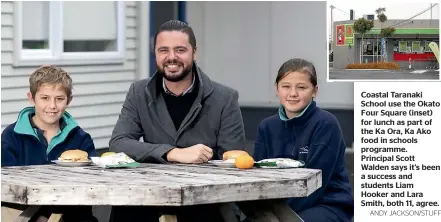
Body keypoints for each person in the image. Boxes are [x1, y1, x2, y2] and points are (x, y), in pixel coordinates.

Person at [109, 20, 246, 221]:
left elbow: (234, 160)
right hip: (149, 197)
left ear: (194, 52)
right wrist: (173, 153)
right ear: (155, 53)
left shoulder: (225, 98)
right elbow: (119, 142)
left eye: (180, 50)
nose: (171, 57)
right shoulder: (139, 92)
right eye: (163, 50)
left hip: (203, 201)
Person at [252, 58, 354, 222]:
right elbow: (257, 175)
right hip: (277, 205)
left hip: (326, 204)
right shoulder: (266, 127)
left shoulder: (326, 124)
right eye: (286, 86)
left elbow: (315, 183)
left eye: (301, 87)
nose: (293, 93)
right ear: (276, 89)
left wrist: (280, 214)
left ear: (314, 91)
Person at [1, 65, 98, 222]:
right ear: (32, 98)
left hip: (70, 214)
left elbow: (91, 189)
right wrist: (38, 216)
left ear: (69, 100)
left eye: (59, 99)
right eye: (45, 98)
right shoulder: (12, 136)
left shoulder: (81, 138)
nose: (52, 106)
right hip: (22, 213)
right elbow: (5, 186)